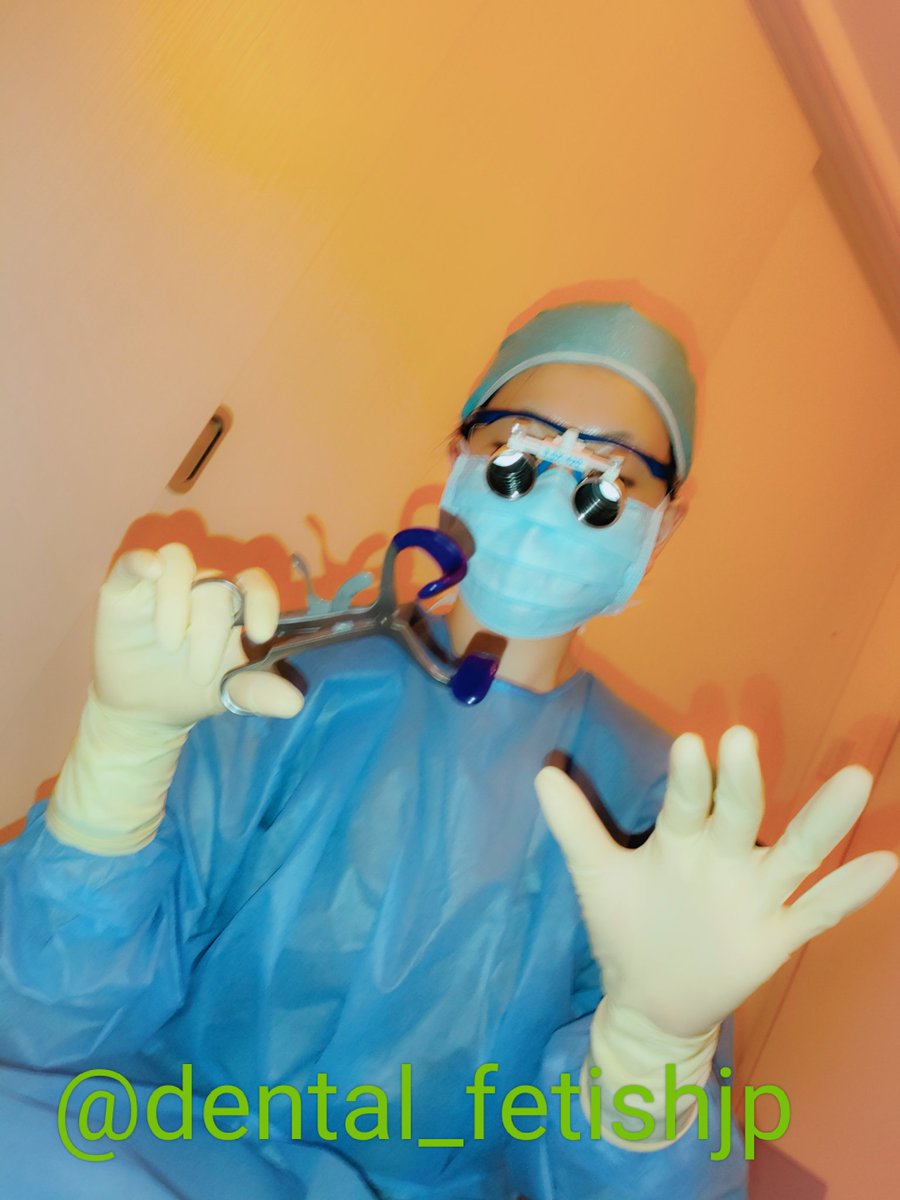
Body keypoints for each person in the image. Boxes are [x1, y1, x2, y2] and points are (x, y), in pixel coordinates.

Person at [0, 299, 895, 1199]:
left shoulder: (663, 801)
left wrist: (652, 1059)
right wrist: (119, 757)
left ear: (665, 525)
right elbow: (44, 1023)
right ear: (457, 461)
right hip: (136, 1149)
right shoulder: (285, 684)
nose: (552, 499)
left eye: (610, 480)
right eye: (518, 452)